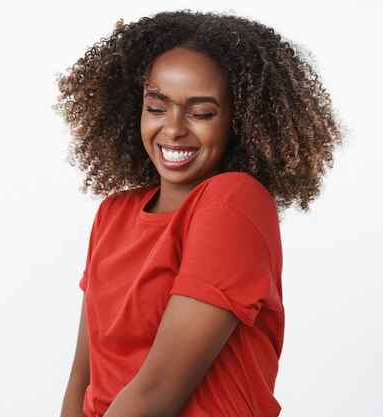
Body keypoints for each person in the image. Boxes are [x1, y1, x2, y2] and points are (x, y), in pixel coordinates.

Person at [54, 10, 344, 417]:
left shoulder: (234, 201)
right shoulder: (112, 214)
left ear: (239, 121)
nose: (173, 129)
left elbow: (157, 392)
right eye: (156, 106)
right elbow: (82, 381)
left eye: (201, 112)